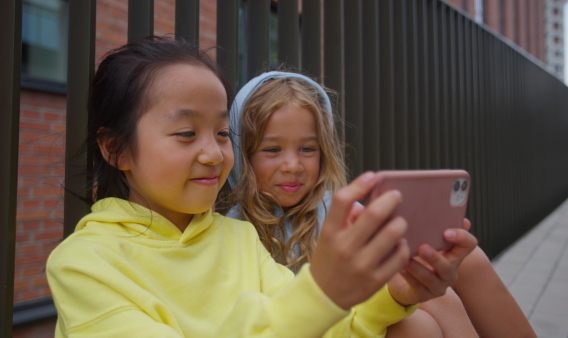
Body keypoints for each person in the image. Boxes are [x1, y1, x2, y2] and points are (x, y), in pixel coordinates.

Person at [46, 36, 425, 337]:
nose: (214, 154)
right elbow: (302, 315)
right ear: (116, 149)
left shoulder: (241, 238)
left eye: (223, 133)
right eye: (186, 133)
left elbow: (318, 329)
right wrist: (321, 293)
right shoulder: (84, 264)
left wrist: (391, 296)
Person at [226, 71, 536, 337]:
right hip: (322, 323)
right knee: (421, 319)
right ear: (243, 153)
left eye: (308, 148)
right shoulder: (236, 231)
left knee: (466, 258)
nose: (292, 165)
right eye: (272, 150)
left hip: (367, 310)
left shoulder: (336, 210)